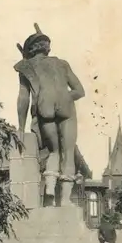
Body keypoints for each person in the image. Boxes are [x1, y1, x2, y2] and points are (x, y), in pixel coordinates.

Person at [14, 24, 85, 207]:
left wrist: (21, 127)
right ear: (47, 47)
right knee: (67, 152)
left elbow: (23, 98)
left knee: (53, 151)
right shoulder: (62, 64)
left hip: (44, 106)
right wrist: (63, 98)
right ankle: (66, 200)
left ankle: (50, 194)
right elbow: (79, 91)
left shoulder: (25, 67)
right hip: (66, 106)